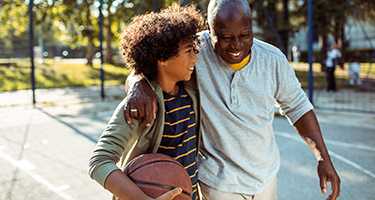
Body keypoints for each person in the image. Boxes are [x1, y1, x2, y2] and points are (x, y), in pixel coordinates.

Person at [123, 0, 341, 199]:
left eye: (245, 34)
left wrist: (323, 158)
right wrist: (137, 84)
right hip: (219, 182)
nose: (236, 44)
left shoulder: (272, 60)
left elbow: (298, 107)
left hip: (265, 176)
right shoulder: (194, 52)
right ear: (209, 30)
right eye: (226, 37)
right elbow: (150, 64)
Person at [88, 5, 204, 200]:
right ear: (162, 57)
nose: (196, 58)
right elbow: (99, 162)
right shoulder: (139, 105)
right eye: (189, 51)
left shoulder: (190, 89)